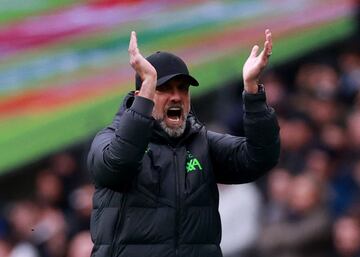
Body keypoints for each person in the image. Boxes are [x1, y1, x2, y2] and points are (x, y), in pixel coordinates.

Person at [87, 29, 280, 257]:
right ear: (142, 94)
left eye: (182, 88)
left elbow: (260, 157)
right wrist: (147, 91)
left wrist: (252, 91)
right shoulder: (109, 139)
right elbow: (115, 167)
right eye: (164, 88)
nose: (177, 96)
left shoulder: (200, 142)